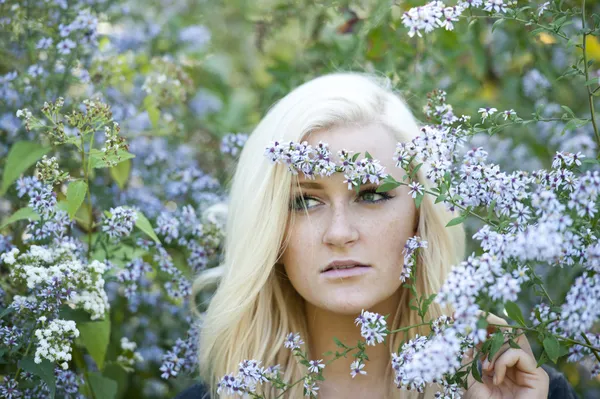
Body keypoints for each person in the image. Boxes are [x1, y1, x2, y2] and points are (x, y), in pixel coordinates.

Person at [176, 73, 579, 398]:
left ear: (420, 216)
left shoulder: (525, 388)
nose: (339, 233)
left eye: (371, 196)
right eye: (304, 202)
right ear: (267, 227)